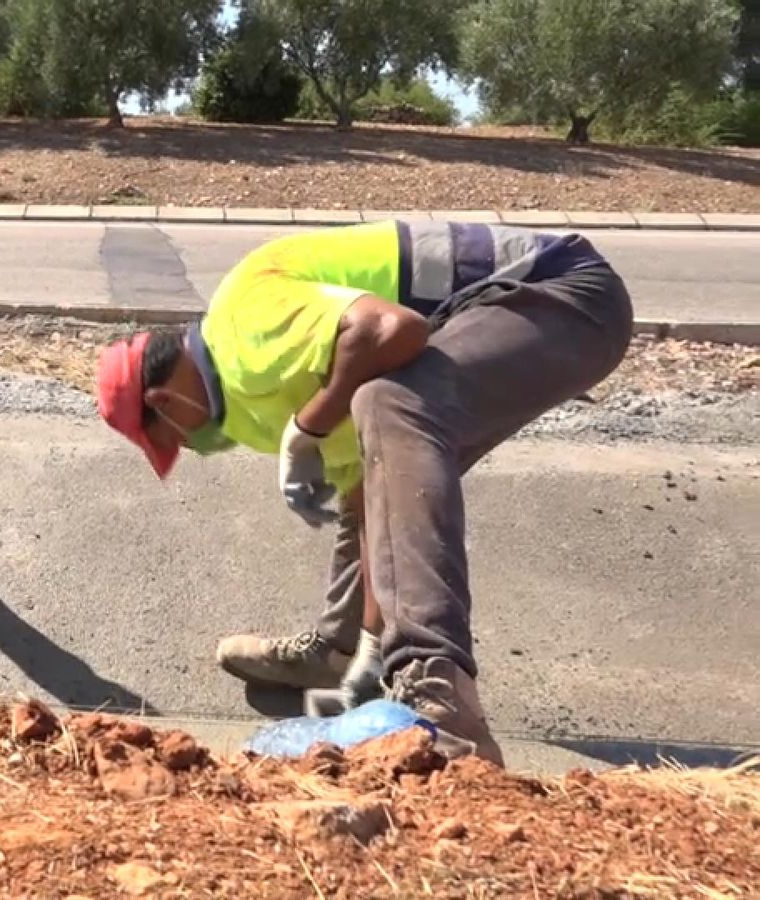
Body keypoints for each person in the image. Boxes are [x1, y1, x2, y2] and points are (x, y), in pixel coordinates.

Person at [94, 219, 633, 763]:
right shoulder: (246, 390)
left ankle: (439, 695)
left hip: (563, 293)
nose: (188, 447)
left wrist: (309, 427)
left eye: (171, 441)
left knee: (392, 403)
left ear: (164, 402)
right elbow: (370, 503)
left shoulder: (245, 326)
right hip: (537, 310)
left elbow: (388, 330)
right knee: (375, 468)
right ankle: (343, 652)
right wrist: (368, 654)